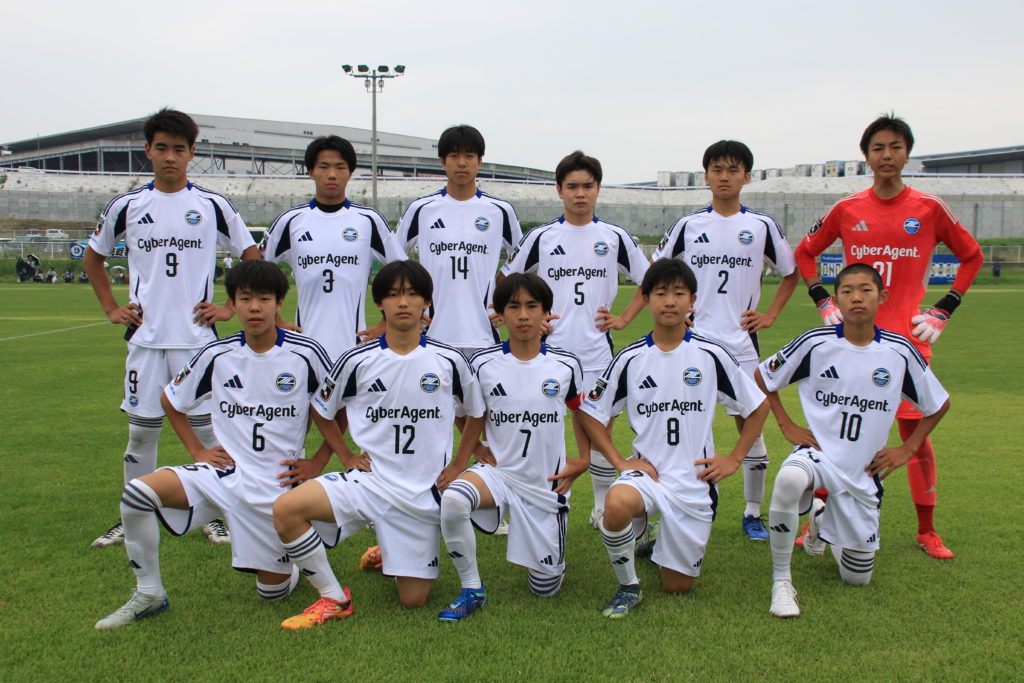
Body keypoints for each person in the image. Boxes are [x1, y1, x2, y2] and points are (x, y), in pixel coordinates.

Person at [94, 260, 333, 629]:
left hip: (275, 485)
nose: (255, 308)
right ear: (232, 305)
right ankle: (149, 593)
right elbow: (171, 400)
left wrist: (318, 460)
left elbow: (337, 408)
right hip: (222, 475)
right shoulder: (216, 354)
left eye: (264, 299)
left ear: (279, 303)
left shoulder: (306, 352)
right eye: (245, 299)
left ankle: (290, 561)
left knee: (271, 593)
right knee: (138, 493)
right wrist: (198, 452)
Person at [794, 114, 982, 559]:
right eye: (878, 148)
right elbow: (805, 252)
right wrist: (823, 300)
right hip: (852, 343)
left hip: (907, 345)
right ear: (866, 156)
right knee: (839, 435)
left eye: (895, 147)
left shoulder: (929, 208)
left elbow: (971, 256)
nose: (887, 155)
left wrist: (944, 308)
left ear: (907, 154)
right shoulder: (848, 209)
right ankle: (817, 522)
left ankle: (927, 530)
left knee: (917, 438)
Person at [272, 261, 485, 629]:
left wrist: (458, 464)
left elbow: (476, 413)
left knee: (413, 600)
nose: (403, 302)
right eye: (393, 294)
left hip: (420, 494)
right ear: (380, 303)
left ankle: (386, 548)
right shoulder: (357, 359)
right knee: (286, 510)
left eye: (412, 294)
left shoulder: (449, 360)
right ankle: (334, 598)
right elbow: (322, 408)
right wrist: (345, 455)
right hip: (369, 482)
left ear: (426, 303)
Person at [84, 108, 259, 549]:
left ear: (191, 153)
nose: (169, 157)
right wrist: (111, 308)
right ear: (147, 150)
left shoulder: (212, 206)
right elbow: (94, 257)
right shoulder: (127, 206)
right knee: (142, 432)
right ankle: (133, 514)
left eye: (178, 149)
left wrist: (228, 307)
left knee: (209, 433)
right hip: (146, 340)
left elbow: (252, 257)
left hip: (197, 342)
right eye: (161, 148)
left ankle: (215, 513)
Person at [756, 264, 950, 618]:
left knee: (856, 579)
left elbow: (938, 404)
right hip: (819, 456)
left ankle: (819, 519)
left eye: (865, 290)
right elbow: (762, 376)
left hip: (863, 473)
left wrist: (908, 448)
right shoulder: (815, 343)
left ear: (882, 297)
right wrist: (787, 424)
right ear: (836, 299)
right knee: (788, 479)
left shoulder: (899, 352)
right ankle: (781, 581)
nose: (856, 298)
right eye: (847, 291)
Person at [578, 259, 768, 618]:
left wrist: (734, 459)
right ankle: (628, 586)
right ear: (646, 299)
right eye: (661, 293)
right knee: (615, 503)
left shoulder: (712, 355)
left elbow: (757, 406)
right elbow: (590, 413)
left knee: (677, 587)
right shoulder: (630, 358)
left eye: (679, 293)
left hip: (693, 481)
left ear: (693, 300)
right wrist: (619, 462)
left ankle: (655, 540)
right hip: (647, 475)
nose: (669, 301)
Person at [652, 140, 798, 541]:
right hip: (691, 342)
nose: (724, 176)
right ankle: (671, 502)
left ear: (746, 177)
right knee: (679, 422)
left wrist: (770, 315)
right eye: (717, 169)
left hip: (740, 344)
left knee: (751, 423)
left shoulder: (761, 226)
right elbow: (656, 271)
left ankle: (752, 512)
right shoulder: (688, 226)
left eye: (733, 170)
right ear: (706, 176)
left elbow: (790, 272)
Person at [501, 151, 649, 531]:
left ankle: (600, 507)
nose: (580, 193)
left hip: (597, 353)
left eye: (587, 186)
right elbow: (507, 281)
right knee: (535, 426)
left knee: (599, 429)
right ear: (559, 190)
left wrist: (623, 318)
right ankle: (523, 502)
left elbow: (650, 281)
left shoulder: (614, 237)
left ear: (598, 189)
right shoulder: (542, 237)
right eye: (572, 187)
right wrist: (534, 317)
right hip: (547, 354)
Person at [437, 273, 587, 621]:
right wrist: (471, 454)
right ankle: (472, 588)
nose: (523, 315)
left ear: (546, 313)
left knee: (545, 589)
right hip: (499, 473)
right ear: (499, 315)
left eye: (532, 306)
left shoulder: (566, 364)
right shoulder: (482, 363)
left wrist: (582, 459)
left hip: (544, 483)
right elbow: (466, 411)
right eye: (514, 307)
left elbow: (580, 413)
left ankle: (550, 557)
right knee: (454, 499)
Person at [260, 135, 405, 360]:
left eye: (340, 167)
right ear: (311, 172)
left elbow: (405, 272)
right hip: (303, 351)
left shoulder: (369, 220)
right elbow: (256, 272)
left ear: (350, 172)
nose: (332, 174)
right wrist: (275, 320)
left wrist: (386, 323)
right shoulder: (290, 221)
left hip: (355, 349)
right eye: (324, 166)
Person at [394, 124, 522, 357]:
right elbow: (394, 260)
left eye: (469, 156)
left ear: (480, 161)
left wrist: (506, 302)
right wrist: (411, 302)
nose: (462, 163)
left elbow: (522, 260)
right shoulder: (421, 209)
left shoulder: (499, 210)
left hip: (484, 334)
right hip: (431, 334)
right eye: (454, 156)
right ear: (443, 161)